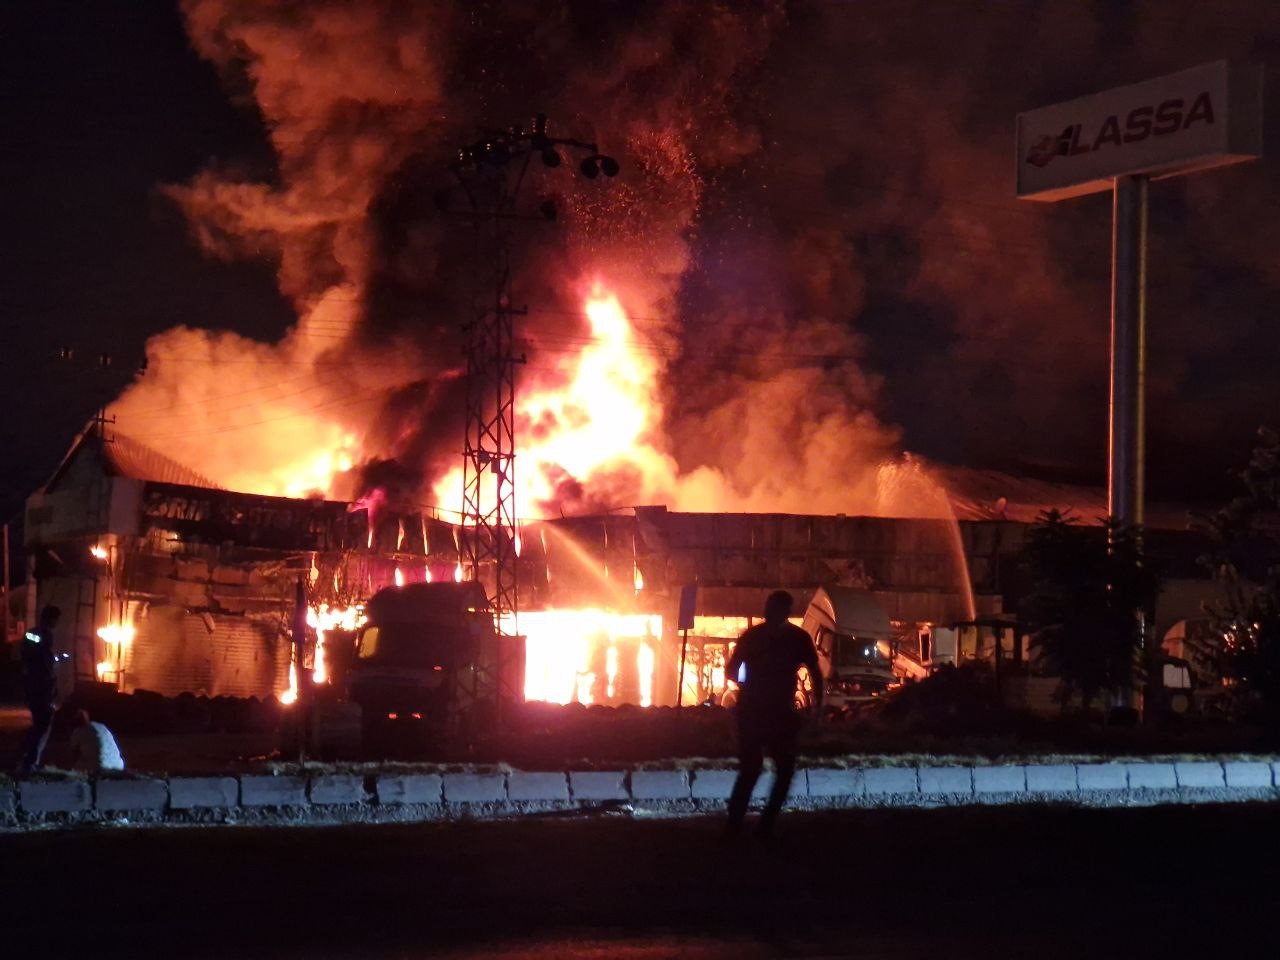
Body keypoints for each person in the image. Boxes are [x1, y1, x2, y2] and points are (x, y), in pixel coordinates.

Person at [724, 590, 822, 837]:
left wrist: (748, 684)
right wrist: (817, 706)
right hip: (778, 712)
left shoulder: (753, 636)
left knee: (752, 768)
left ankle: (735, 825)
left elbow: (732, 671)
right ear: (787, 612)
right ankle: (763, 825)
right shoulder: (797, 638)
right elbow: (815, 671)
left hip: (754, 711)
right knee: (783, 769)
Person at [17, 605, 63, 774]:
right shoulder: (45, 635)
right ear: (50, 619)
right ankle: (28, 760)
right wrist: (51, 684)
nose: (57, 623)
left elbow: (29, 655)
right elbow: (43, 662)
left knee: (39, 723)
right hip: (40, 685)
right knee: (42, 723)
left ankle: (26, 757)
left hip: (33, 684)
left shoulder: (32, 634)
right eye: (56, 619)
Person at [69, 709, 125, 773]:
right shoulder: (102, 726)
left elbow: (74, 755)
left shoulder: (78, 733)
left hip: (101, 768)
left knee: (76, 769)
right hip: (119, 766)